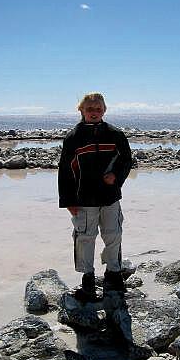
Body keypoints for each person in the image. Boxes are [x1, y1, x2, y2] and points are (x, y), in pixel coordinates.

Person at [58, 92, 132, 301]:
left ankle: (113, 273)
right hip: (83, 199)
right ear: (81, 110)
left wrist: (115, 176)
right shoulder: (74, 137)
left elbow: (126, 159)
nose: (94, 112)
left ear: (104, 111)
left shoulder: (115, 134)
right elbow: (65, 170)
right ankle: (87, 278)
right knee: (85, 237)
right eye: (90, 109)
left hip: (110, 197)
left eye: (98, 109)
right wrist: (68, 201)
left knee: (113, 234)